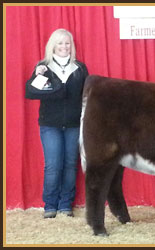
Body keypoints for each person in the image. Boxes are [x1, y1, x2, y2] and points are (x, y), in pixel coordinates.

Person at [25, 28, 88, 218]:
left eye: (67, 43)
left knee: (70, 165)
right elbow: (30, 92)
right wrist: (39, 75)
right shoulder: (43, 67)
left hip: (73, 125)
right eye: (60, 43)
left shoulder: (80, 68)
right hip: (50, 125)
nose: (64, 47)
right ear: (53, 45)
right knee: (53, 165)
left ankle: (65, 205)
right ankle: (50, 205)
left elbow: (86, 96)